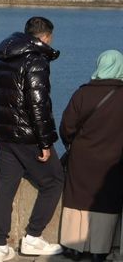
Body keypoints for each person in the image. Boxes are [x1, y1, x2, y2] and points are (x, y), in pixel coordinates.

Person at [0, 16, 64, 262]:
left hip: (4, 134)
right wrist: (45, 142)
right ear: (45, 36)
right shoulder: (36, 60)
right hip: (26, 136)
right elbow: (38, 104)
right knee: (54, 181)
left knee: (6, 187)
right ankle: (33, 237)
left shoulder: (4, 57)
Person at [58, 50, 123, 262]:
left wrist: (73, 145)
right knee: (106, 200)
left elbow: (66, 127)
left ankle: (72, 246)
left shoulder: (82, 93)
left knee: (78, 197)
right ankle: (99, 249)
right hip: (113, 159)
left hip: (82, 157)